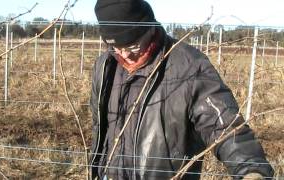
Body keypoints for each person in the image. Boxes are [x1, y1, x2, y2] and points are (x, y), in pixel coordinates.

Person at [90, 0, 274, 179]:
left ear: (149, 27)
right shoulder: (105, 66)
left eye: (133, 46)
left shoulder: (189, 66)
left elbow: (224, 125)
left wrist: (250, 169)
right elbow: (100, 127)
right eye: (115, 47)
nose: (125, 55)